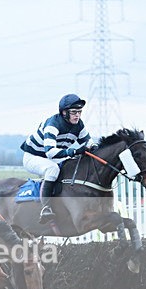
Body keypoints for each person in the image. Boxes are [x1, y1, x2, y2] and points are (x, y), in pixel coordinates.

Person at [21, 93, 93, 223]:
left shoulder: (79, 125)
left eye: (79, 112)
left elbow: (89, 142)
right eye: (74, 112)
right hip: (34, 156)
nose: (77, 115)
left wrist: (93, 148)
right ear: (64, 113)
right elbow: (50, 152)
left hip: (53, 157)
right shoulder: (52, 124)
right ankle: (45, 208)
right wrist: (74, 151)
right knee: (52, 169)